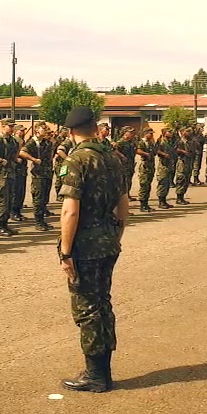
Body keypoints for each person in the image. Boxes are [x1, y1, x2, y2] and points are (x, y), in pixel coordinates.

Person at [56, 105, 128, 393]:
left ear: (71, 131)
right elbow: (123, 204)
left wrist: (65, 251)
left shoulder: (77, 160)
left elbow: (70, 211)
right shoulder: (113, 157)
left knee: (87, 309)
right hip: (108, 239)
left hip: (85, 245)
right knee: (102, 304)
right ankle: (103, 371)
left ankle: (95, 375)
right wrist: (116, 234)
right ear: (95, 128)